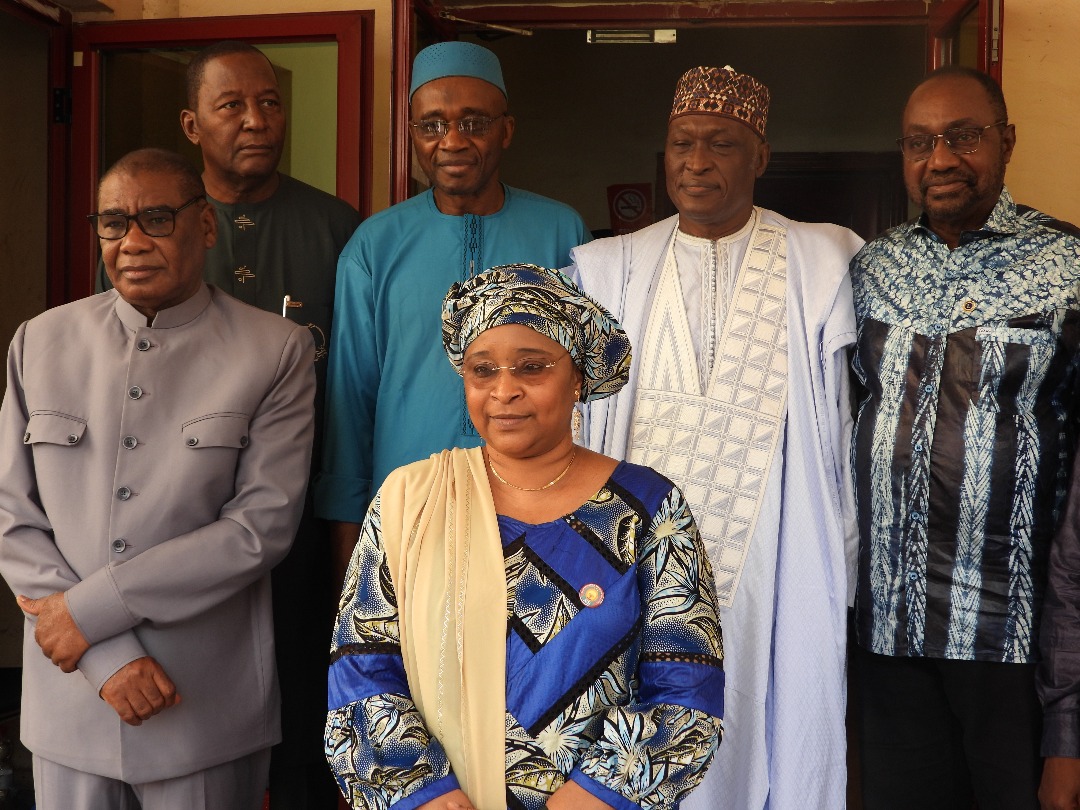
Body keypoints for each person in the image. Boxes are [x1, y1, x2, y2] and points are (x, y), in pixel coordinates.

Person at [568, 66, 862, 809]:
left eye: (721, 145)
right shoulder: (609, 269)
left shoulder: (822, 260)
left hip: (774, 550)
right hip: (642, 559)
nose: (696, 162)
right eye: (682, 144)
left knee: (766, 721)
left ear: (760, 156)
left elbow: (846, 420)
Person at [325, 264, 724, 810]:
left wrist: (593, 797)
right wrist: (424, 794)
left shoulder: (649, 507)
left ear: (578, 377)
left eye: (531, 368)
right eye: (482, 371)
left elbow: (687, 686)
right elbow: (361, 665)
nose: (503, 391)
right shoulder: (411, 502)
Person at [0, 148, 315, 809]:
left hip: (202, 705)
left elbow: (260, 528)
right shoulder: (40, 341)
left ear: (206, 227)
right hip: (70, 703)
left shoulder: (275, 350)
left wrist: (88, 613)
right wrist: (103, 656)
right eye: (113, 222)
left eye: (157, 218)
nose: (133, 241)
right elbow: (12, 520)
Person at [850, 66, 1080, 810]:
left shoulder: (1069, 266)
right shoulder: (869, 268)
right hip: (886, 629)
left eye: (963, 137)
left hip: (1013, 634)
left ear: (1006, 141)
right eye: (920, 142)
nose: (940, 159)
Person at [315, 41, 592, 587]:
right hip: (408, 509)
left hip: (541, 509)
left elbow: (587, 389)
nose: (452, 142)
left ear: (506, 131)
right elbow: (350, 404)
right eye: (431, 125)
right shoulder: (375, 245)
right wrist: (351, 571)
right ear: (412, 135)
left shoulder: (562, 233)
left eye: (473, 122)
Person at [177, 40, 361, 807]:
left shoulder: (338, 227)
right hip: (182, 516)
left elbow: (352, 386)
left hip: (297, 518)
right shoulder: (162, 226)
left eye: (270, 102)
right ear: (193, 126)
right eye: (232, 106)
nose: (256, 121)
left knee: (300, 696)